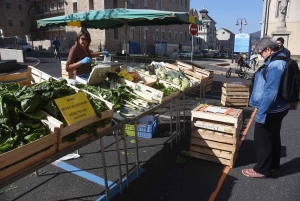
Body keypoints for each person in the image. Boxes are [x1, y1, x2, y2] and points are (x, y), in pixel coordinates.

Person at [242, 36, 290, 178]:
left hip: (272, 109)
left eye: (261, 52)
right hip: (279, 107)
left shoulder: (275, 65)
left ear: (268, 49)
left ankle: (262, 170)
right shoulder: (279, 59)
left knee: (262, 140)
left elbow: (271, 92)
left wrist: (261, 112)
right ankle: (273, 165)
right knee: (273, 136)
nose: (260, 55)